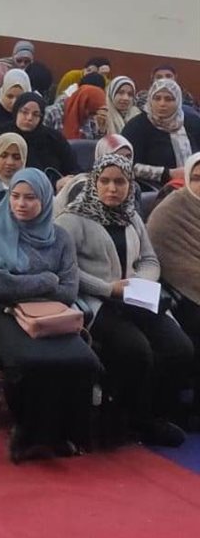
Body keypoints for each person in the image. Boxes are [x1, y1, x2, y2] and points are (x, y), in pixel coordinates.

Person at [0, 168, 100, 461]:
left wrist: (19, 284)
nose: (21, 204)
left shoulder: (60, 238)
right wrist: (46, 280)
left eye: (30, 198)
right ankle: (27, 436)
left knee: (82, 359)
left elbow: (69, 291)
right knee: (30, 360)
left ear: (45, 200)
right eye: (15, 196)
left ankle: (62, 434)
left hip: (49, 314)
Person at [57, 153, 191, 447]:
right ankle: (130, 417)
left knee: (179, 348)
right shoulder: (72, 219)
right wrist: (109, 288)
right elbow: (67, 269)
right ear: (94, 182)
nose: (112, 188)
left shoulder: (131, 216)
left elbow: (149, 258)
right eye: (105, 181)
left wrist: (140, 281)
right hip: (98, 301)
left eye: (120, 182)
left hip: (135, 296)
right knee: (136, 350)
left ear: (130, 185)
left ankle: (156, 414)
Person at [146, 152, 200, 426]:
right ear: (187, 178)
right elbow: (165, 259)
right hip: (178, 289)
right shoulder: (172, 210)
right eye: (197, 178)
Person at [121, 79, 200, 186]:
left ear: (178, 101)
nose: (162, 104)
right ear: (150, 99)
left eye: (169, 99)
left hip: (194, 184)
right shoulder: (136, 126)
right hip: (153, 188)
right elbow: (125, 165)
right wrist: (168, 173)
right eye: (157, 98)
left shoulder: (192, 122)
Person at [0, 92, 76, 187]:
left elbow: (73, 168)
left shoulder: (53, 138)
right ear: (16, 111)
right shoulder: (1, 134)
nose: (29, 118)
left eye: (35, 114)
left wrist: (66, 181)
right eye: (24, 112)